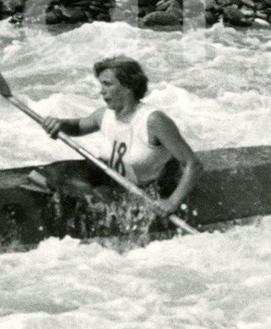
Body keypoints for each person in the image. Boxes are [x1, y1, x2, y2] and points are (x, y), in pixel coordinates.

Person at [40, 57, 202, 222]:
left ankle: (104, 213)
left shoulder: (154, 120)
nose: (101, 91)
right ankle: (101, 208)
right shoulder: (105, 114)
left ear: (128, 86)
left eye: (107, 84)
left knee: (98, 193)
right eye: (101, 84)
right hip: (116, 186)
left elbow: (193, 164)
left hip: (147, 191)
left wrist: (172, 202)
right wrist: (59, 124)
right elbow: (78, 127)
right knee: (54, 171)